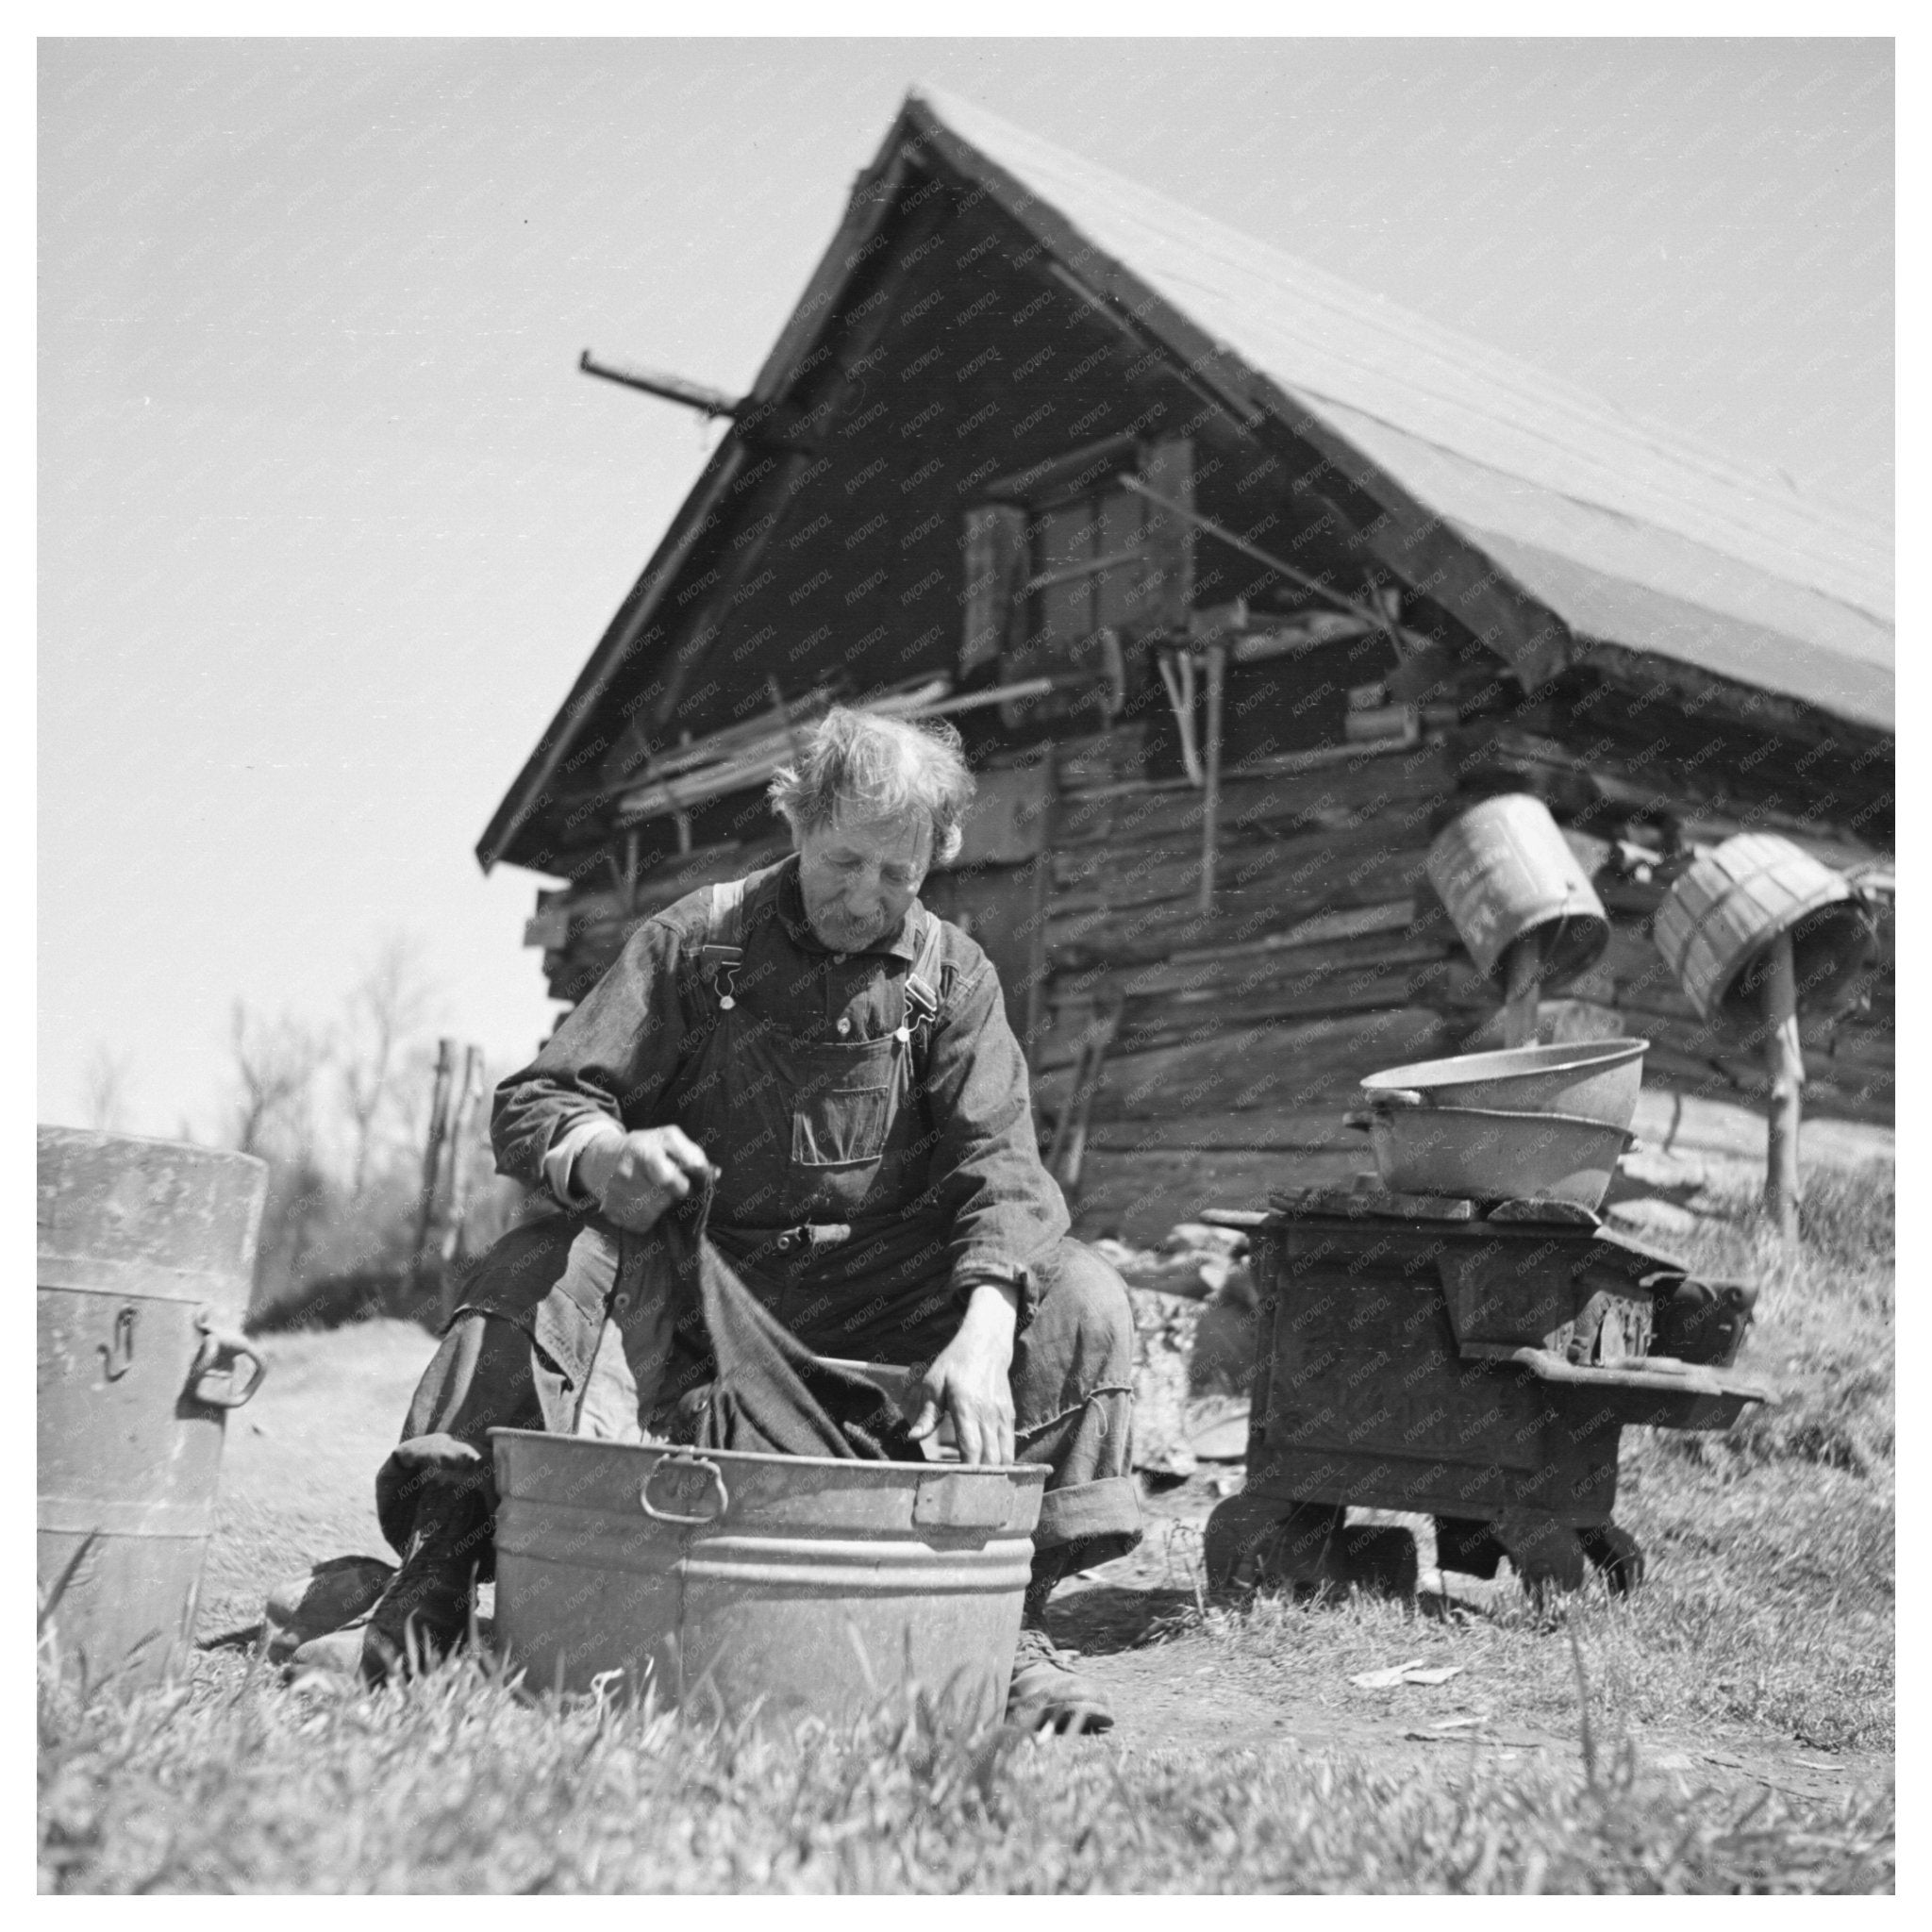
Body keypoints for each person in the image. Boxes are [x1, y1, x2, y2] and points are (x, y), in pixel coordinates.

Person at [298, 708, 1141, 1731]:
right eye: (843, 861)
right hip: (705, 1312)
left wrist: (988, 1321)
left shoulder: (953, 978)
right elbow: (536, 1101)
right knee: (535, 1262)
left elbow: (1001, 1167)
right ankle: (429, 1589)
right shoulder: (697, 943)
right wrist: (602, 1152)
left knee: (1081, 1294)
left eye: (898, 873)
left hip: (884, 1319)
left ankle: (1006, 1626)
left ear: (936, 860)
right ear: (797, 822)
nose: (865, 895)